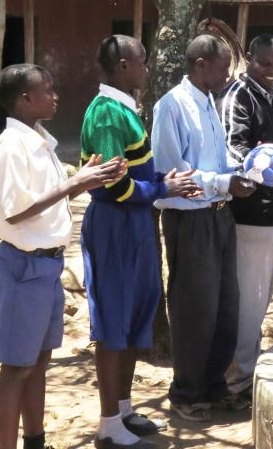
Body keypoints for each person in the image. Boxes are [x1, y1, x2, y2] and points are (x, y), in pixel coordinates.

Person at [0, 64, 124, 449]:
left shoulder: (39, 142)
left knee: (39, 360)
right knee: (17, 367)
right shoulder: (12, 147)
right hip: (23, 267)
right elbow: (16, 209)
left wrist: (85, 180)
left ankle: (35, 440)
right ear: (25, 99)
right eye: (47, 89)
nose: (55, 95)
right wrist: (74, 184)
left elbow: (44, 202)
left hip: (46, 266)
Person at [80, 36, 200, 448]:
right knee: (114, 320)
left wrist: (166, 187)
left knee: (133, 316)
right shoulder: (108, 114)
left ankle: (125, 408)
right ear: (124, 66)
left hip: (134, 224)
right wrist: (161, 188)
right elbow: (115, 185)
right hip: (115, 225)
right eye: (143, 62)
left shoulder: (124, 109)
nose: (147, 69)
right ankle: (109, 423)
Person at [152, 34, 255, 421]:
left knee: (225, 306)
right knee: (195, 307)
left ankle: (213, 385)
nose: (228, 73)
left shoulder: (210, 103)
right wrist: (222, 183)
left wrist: (240, 173)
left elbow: (218, 159)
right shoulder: (172, 107)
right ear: (201, 65)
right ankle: (186, 392)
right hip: (190, 220)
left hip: (218, 216)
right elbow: (173, 170)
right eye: (223, 66)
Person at [217, 33, 273, 404]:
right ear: (248, 58)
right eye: (264, 63)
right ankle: (235, 383)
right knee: (248, 301)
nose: (272, 70)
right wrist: (263, 167)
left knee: (261, 295)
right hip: (248, 215)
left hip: (270, 215)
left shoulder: (271, 99)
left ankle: (244, 373)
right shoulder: (240, 96)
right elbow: (232, 150)